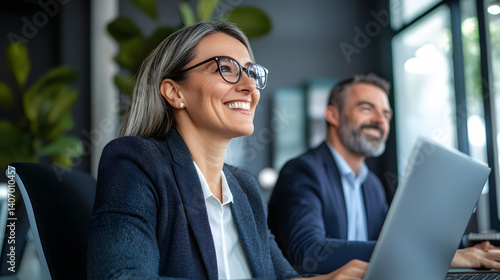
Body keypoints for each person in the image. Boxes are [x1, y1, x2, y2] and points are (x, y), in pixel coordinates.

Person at [86, 21, 368, 279]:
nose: (249, 87)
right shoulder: (135, 163)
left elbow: (282, 276)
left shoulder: (245, 188)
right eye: (226, 68)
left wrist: (329, 278)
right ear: (175, 92)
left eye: (251, 72)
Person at [267, 74, 500, 275]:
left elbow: (395, 238)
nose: (380, 121)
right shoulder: (303, 171)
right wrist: (433, 256)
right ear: (333, 115)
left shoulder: (371, 184)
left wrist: (468, 244)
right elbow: (307, 253)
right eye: (367, 108)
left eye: (386, 114)